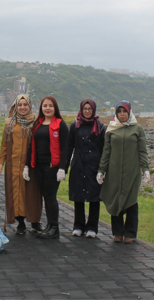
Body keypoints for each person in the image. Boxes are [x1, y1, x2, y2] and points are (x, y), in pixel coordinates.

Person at [97, 100, 150, 244]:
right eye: (119, 112)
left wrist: (145, 169)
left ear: (129, 112)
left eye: (124, 111)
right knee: (116, 199)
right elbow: (106, 152)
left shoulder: (137, 129)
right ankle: (118, 232)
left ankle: (130, 233)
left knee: (131, 201)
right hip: (114, 172)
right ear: (116, 114)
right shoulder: (112, 129)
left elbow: (142, 151)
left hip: (132, 172)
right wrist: (101, 170)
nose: (122, 114)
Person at [0, 94, 43, 235]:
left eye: (25, 105)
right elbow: (4, 145)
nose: (22, 107)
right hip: (13, 164)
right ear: (16, 106)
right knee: (16, 192)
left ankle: (35, 221)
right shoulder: (9, 123)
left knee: (32, 192)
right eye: (20, 105)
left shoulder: (36, 122)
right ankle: (20, 222)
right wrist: (0, 163)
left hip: (31, 164)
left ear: (30, 106)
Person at [24, 96, 69, 239]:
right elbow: (31, 146)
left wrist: (62, 168)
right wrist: (26, 165)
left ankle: (54, 227)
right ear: (41, 108)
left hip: (53, 167)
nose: (47, 108)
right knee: (45, 195)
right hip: (39, 166)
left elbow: (65, 148)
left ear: (55, 108)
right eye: (45, 106)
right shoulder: (38, 124)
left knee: (51, 196)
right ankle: (49, 225)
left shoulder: (60, 124)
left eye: (50, 106)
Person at [66, 99, 106, 238]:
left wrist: (102, 169)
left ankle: (92, 227)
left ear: (93, 110)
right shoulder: (74, 126)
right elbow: (69, 147)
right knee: (79, 197)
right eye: (85, 108)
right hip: (78, 165)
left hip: (94, 166)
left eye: (90, 109)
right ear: (81, 110)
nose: (87, 111)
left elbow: (103, 149)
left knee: (94, 198)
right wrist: (63, 168)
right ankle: (78, 225)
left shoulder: (100, 127)